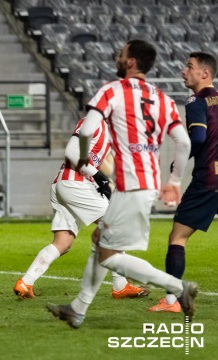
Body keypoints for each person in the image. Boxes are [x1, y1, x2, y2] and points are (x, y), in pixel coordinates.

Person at [47, 39, 197, 329]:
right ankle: (77, 310)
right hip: (149, 182)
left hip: (129, 184)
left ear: (130, 62)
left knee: (109, 255)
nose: (117, 57)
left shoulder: (112, 90)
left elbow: (87, 130)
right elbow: (184, 141)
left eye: (121, 53)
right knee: (99, 241)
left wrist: (83, 160)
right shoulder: (162, 98)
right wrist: (174, 182)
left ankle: (179, 288)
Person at [14, 118, 150, 300]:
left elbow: (97, 163)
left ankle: (26, 282)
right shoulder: (94, 122)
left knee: (63, 243)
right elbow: (71, 151)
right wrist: (98, 175)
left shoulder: (110, 132)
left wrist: (104, 179)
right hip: (74, 183)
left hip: (68, 184)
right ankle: (120, 286)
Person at [149, 51, 218, 312]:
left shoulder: (195, 101)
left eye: (189, 67)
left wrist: (179, 161)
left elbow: (197, 138)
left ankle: (171, 302)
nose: (182, 71)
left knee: (177, 237)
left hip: (208, 179)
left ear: (205, 73)